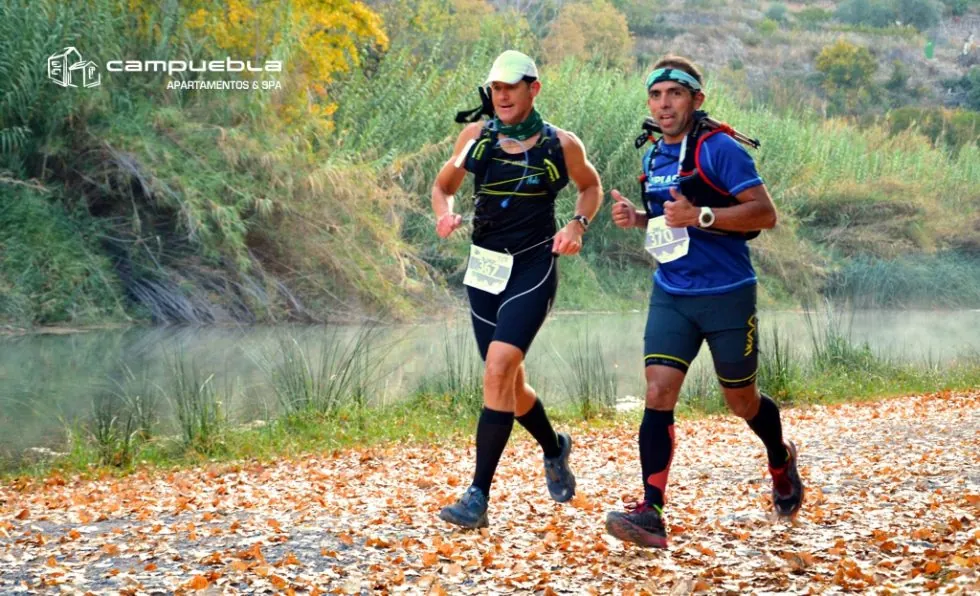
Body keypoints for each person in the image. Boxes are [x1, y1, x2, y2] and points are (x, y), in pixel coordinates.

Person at [605, 55, 804, 548]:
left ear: (697, 99)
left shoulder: (720, 150)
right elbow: (667, 216)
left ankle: (780, 459)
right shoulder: (652, 155)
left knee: (741, 401)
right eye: (656, 95)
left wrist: (702, 217)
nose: (664, 103)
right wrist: (638, 218)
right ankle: (650, 511)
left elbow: (765, 213)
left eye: (674, 93)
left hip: (727, 295)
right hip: (672, 293)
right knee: (658, 391)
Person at [430, 50, 602, 529]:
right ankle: (554, 446)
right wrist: (444, 214)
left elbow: (591, 188)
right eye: (495, 88)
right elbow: (442, 185)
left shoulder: (560, 145)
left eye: (511, 87)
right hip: (484, 272)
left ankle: (477, 497)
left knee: (498, 368)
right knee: (510, 382)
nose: (501, 96)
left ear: (534, 88)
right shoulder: (475, 139)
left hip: (532, 268)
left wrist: (577, 225)